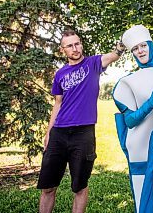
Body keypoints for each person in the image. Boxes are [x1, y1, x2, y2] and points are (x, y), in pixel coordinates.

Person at [37, 29, 125, 213]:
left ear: (81, 44)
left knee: (80, 186)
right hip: (58, 134)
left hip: (83, 134)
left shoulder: (93, 63)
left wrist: (121, 47)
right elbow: (57, 104)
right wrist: (48, 132)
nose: (75, 48)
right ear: (63, 50)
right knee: (48, 187)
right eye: (70, 45)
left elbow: (113, 55)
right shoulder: (60, 74)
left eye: (77, 43)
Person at [112, 25, 153, 213]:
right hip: (141, 146)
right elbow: (129, 121)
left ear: (150, 46)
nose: (140, 51)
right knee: (144, 195)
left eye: (143, 46)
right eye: (135, 49)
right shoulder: (128, 82)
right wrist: (151, 103)